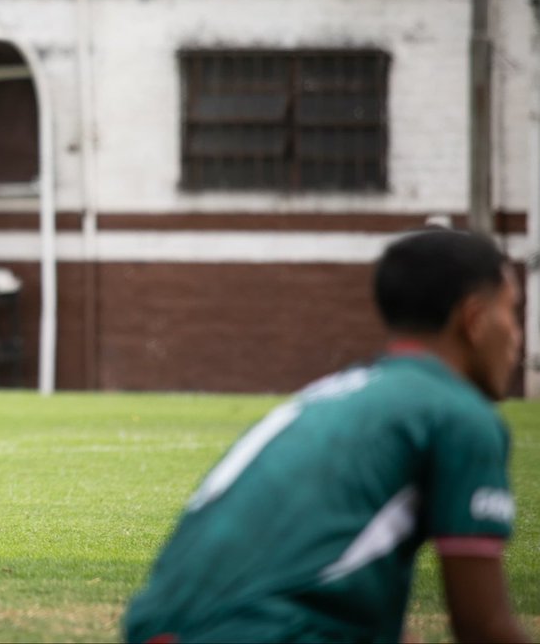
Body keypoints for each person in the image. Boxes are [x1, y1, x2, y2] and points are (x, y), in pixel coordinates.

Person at [122, 228, 530, 644]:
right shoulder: (459, 415)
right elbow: (482, 627)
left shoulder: (334, 393)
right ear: (474, 320)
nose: (517, 336)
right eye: (512, 312)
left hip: (159, 626)